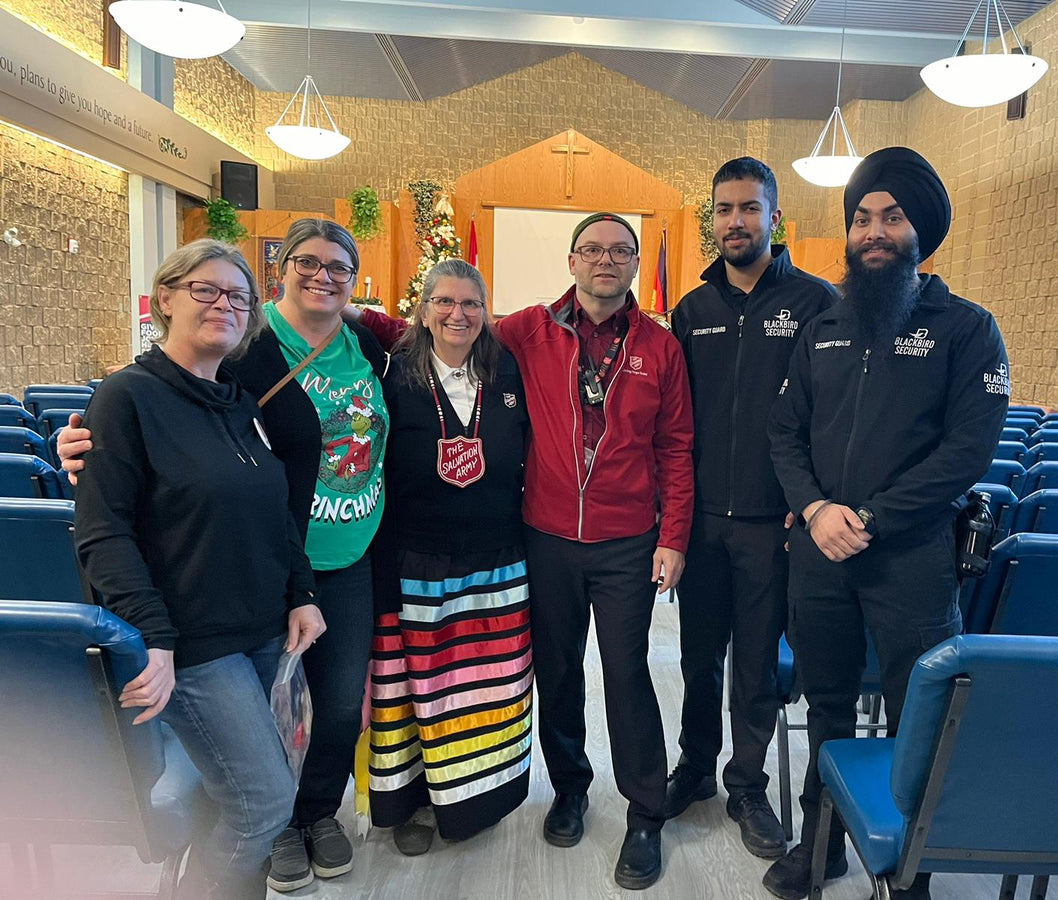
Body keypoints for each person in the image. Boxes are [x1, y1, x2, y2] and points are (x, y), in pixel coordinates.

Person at [351, 213, 694, 890]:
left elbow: (677, 447)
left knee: (627, 675)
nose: (604, 260)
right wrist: (355, 314)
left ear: (634, 263)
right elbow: (448, 327)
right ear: (571, 261)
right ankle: (570, 789)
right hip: (545, 537)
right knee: (557, 672)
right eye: (591, 249)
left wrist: (673, 537)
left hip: (627, 542)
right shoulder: (528, 330)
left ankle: (645, 812)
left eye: (619, 250)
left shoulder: (661, 346)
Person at [59, 219, 390, 893]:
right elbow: (106, 528)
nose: (223, 307)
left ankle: (303, 820)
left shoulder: (243, 395)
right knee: (256, 794)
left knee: (312, 726)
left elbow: (271, 502)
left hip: (281, 595)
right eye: (206, 291)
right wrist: (153, 636)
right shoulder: (151, 389)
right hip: (195, 626)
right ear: (166, 298)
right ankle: (257, 843)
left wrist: (299, 591)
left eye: (235, 298)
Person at [764, 147, 1010, 900]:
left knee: (917, 712)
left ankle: (911, 866)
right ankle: (822, 846)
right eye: (863, 218)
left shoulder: (967, 329)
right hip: (820, 553)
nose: (874, 231)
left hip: (913, 558)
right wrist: (816, 510)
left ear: (920, 231)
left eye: (892, 217)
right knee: (827, 705)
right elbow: (785, 433)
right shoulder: (823, 326)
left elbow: (966, 452)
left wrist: (868, 518)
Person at [667, 158, 836, 858]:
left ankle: (747, 784)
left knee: (757, 664)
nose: (735, 221)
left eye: (749, 207)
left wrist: (810, 500)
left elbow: (832, 414)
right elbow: (672, 421)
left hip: (776, 522)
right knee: (698, 655)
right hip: (703, 519)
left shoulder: (817, 302)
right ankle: (696, 768)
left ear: (774, 216)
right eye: (724, 209)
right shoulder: (692, 311)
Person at [367, 259, 532, 854]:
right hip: (415, 562)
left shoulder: (510, 371)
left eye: (470, 304)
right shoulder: (390, 373)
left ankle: (477, 799)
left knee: (487, 687)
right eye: (444, 301)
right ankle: (411, 802)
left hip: (497, 562)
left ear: (486, 312)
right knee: (417, 688)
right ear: (423, 308)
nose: (457, 314)